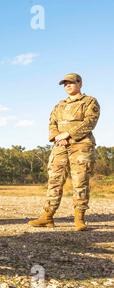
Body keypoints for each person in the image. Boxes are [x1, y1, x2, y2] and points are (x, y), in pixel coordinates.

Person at [29, 73, 100, 231]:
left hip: (81, 145)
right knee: (54, 180)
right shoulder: (59, 105)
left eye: (71, 82)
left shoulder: (89, 101)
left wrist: (68, 134)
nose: (67, 85)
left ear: (80, 83)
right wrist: (57, 137)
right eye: (65, 83)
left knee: (80, 181)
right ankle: (48, 216)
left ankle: (79, 218)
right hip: (60, 145)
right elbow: (52, 122)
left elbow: (90, 121)